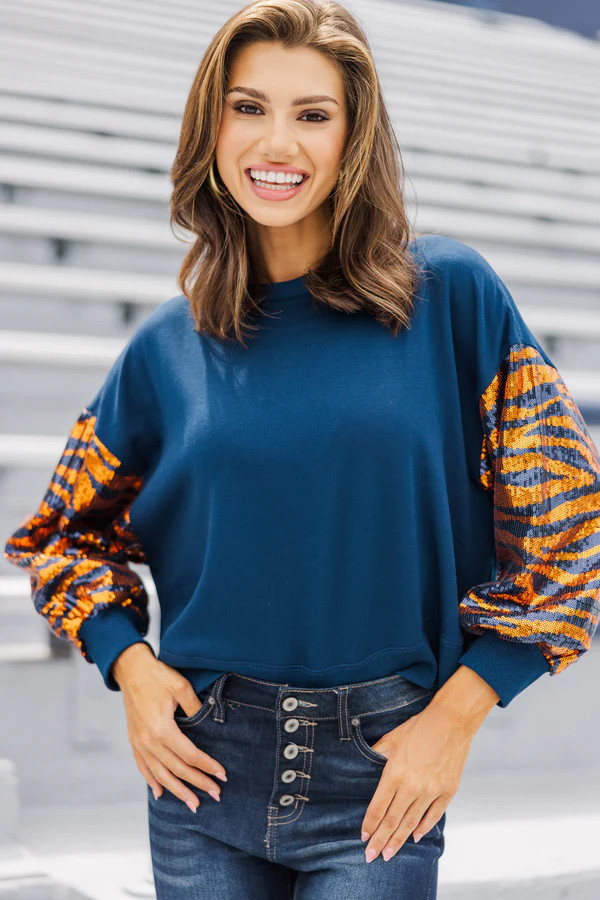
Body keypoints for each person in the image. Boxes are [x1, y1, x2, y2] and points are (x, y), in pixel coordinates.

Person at [4, 1, 600, 897]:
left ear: (353, 137)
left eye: (312, 114)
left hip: (382, 770)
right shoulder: (166, 350)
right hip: (200, 772)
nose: (275, 142)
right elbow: (60, 536)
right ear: (212, 126)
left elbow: (572, 520)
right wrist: (128, 666)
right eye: (248, 107)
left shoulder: (450, 299)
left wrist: (461, 713)